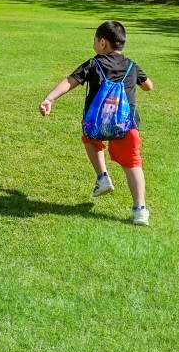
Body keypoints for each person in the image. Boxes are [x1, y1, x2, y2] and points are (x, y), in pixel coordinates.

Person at [38, 20, 154, 226]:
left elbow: (70, 81)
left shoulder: (94, 63)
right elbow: (149, 87)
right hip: (126, 126)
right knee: (133, 164)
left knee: (89, 138)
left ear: (102, 43)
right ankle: (140, 209)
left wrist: (50, 99)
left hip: (97, 124)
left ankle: (102, 177)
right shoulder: (132, 66)